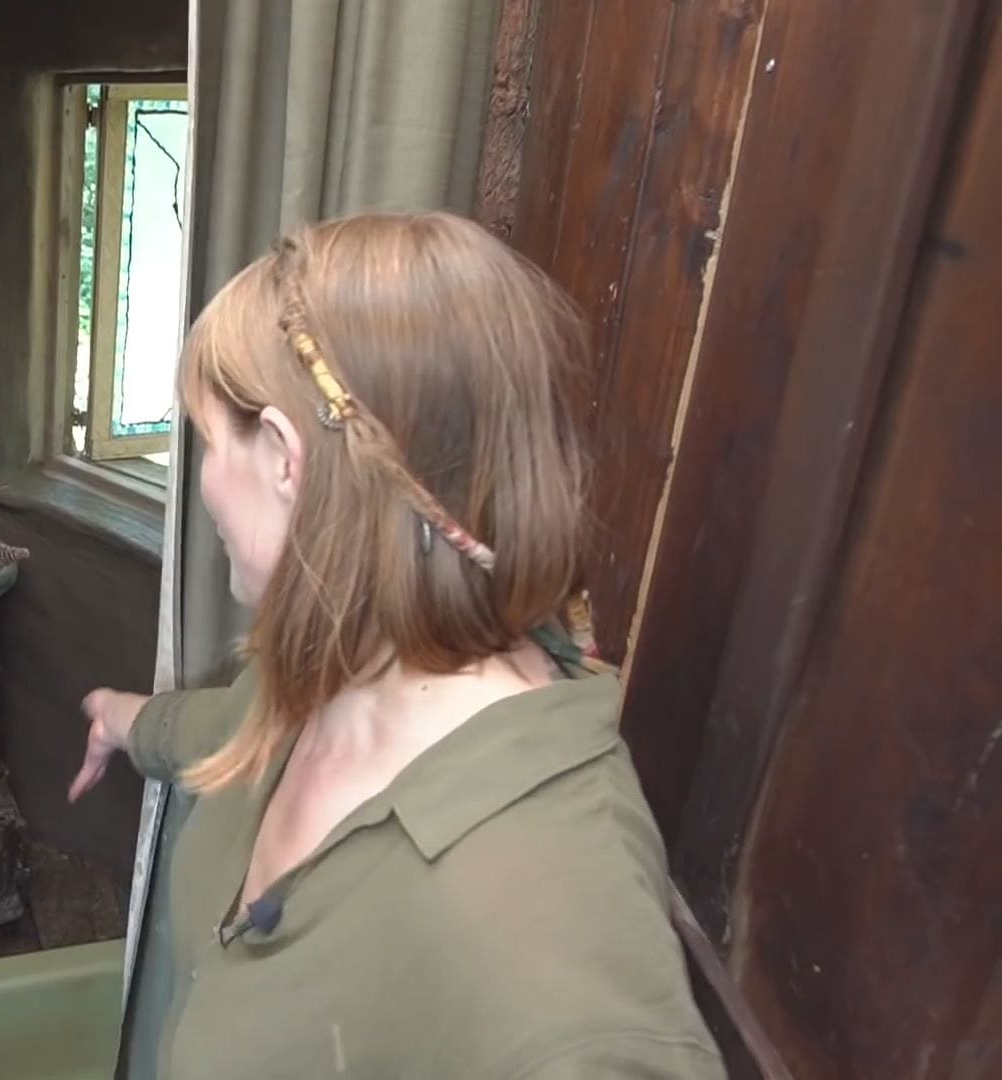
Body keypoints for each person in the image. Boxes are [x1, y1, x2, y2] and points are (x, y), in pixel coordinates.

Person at [69, 213, 725, 1078]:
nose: (204, 483)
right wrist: (123, 721)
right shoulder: (337, 669)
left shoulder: (558, 965)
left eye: (208, 442)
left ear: (284, 457)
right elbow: (234, 729)